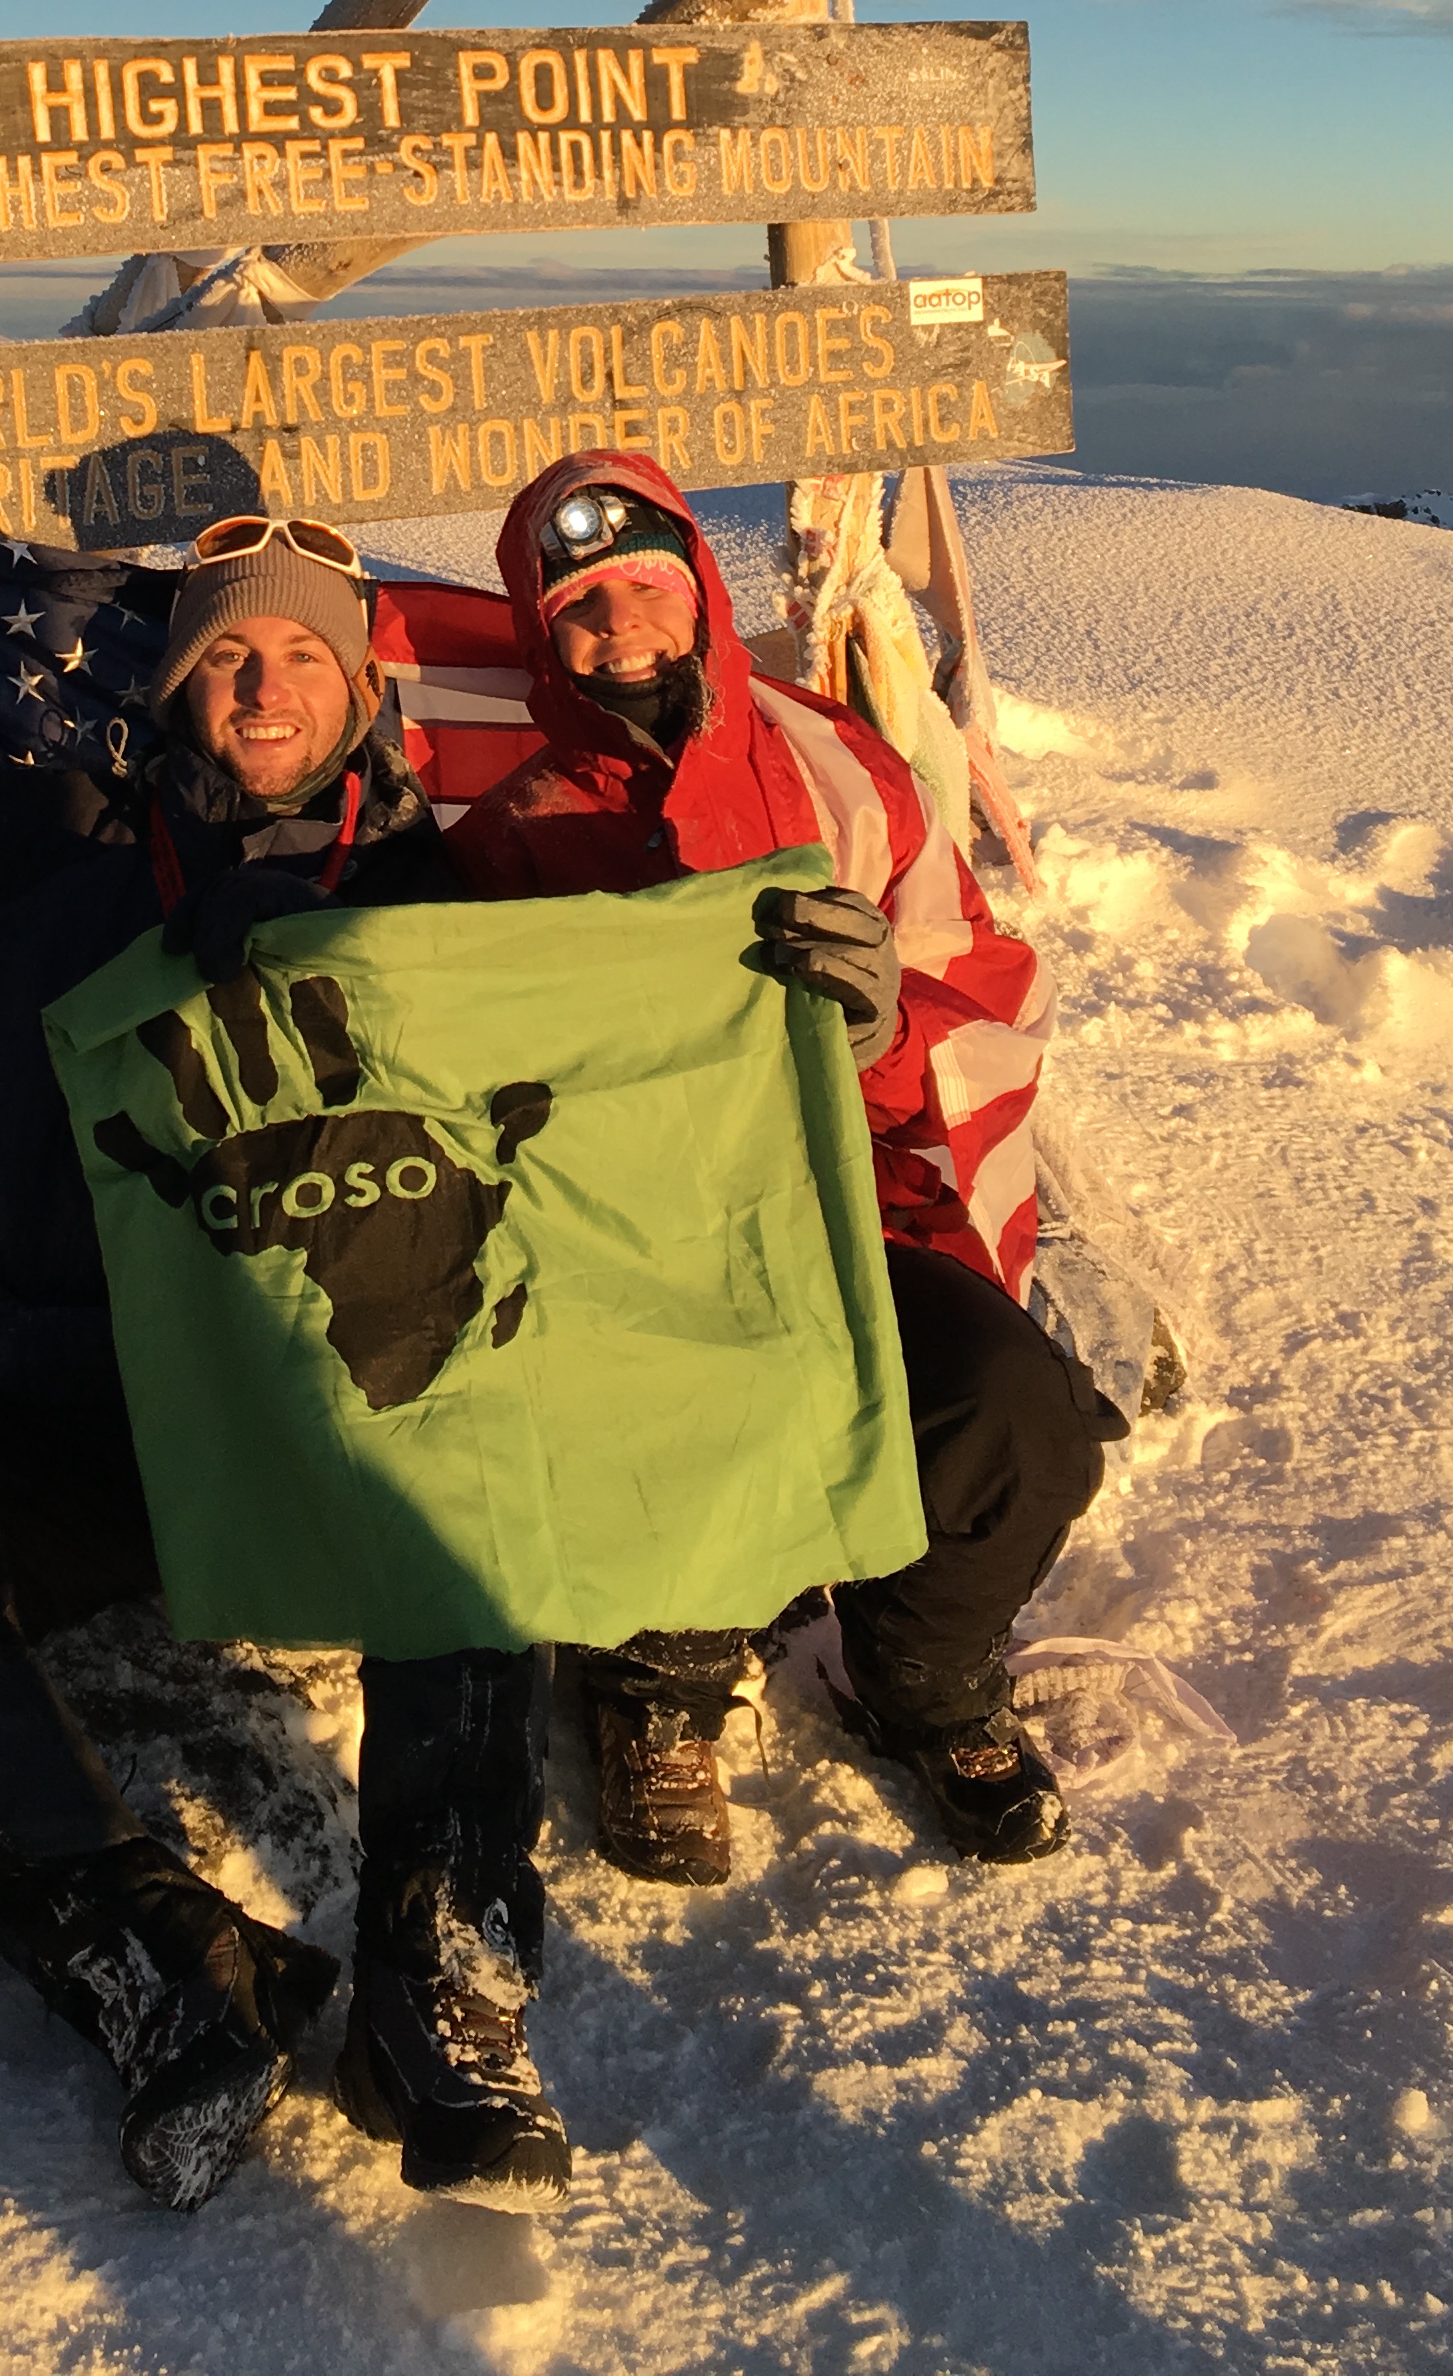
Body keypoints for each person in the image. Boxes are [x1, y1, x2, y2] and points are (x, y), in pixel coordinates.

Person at [0, 510, 572, 2214]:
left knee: (477, 1475)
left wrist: (811, 995)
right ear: (171, 684)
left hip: (326, 1410)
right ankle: (158, 1963)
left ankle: (439, 1983)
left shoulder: (446, 901)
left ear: (368, 692)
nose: (265, 684)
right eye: (229, 652)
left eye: (307, 653)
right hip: (52, 1399)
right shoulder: (38, 840)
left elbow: (622, 1091)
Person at [449, 453, 1114, 1887]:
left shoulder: (839, 769)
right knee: (668, 1403)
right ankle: (660, 1675)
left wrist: (882, 1028)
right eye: (579, 603)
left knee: (1019, 1414)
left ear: (696, 585)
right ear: (538, 632)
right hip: (641, 1248)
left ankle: (921, 1673)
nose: (619, 623)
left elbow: (980, 981)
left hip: (853, 1205)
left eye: (644, 584)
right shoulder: (510, 840)